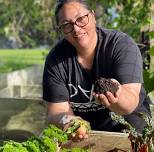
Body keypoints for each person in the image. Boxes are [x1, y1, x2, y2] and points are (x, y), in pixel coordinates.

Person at [42, 0, 152, 140]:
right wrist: (70, 123)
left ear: (93, 17)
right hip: (87, 136)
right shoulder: (55, 60)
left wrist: (116, 96)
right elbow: (55, 111)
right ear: (61, 30)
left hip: (132, 133)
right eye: (66, 25)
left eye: (81, 19)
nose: (76, 29)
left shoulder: (121, 45)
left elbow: (130, 103)